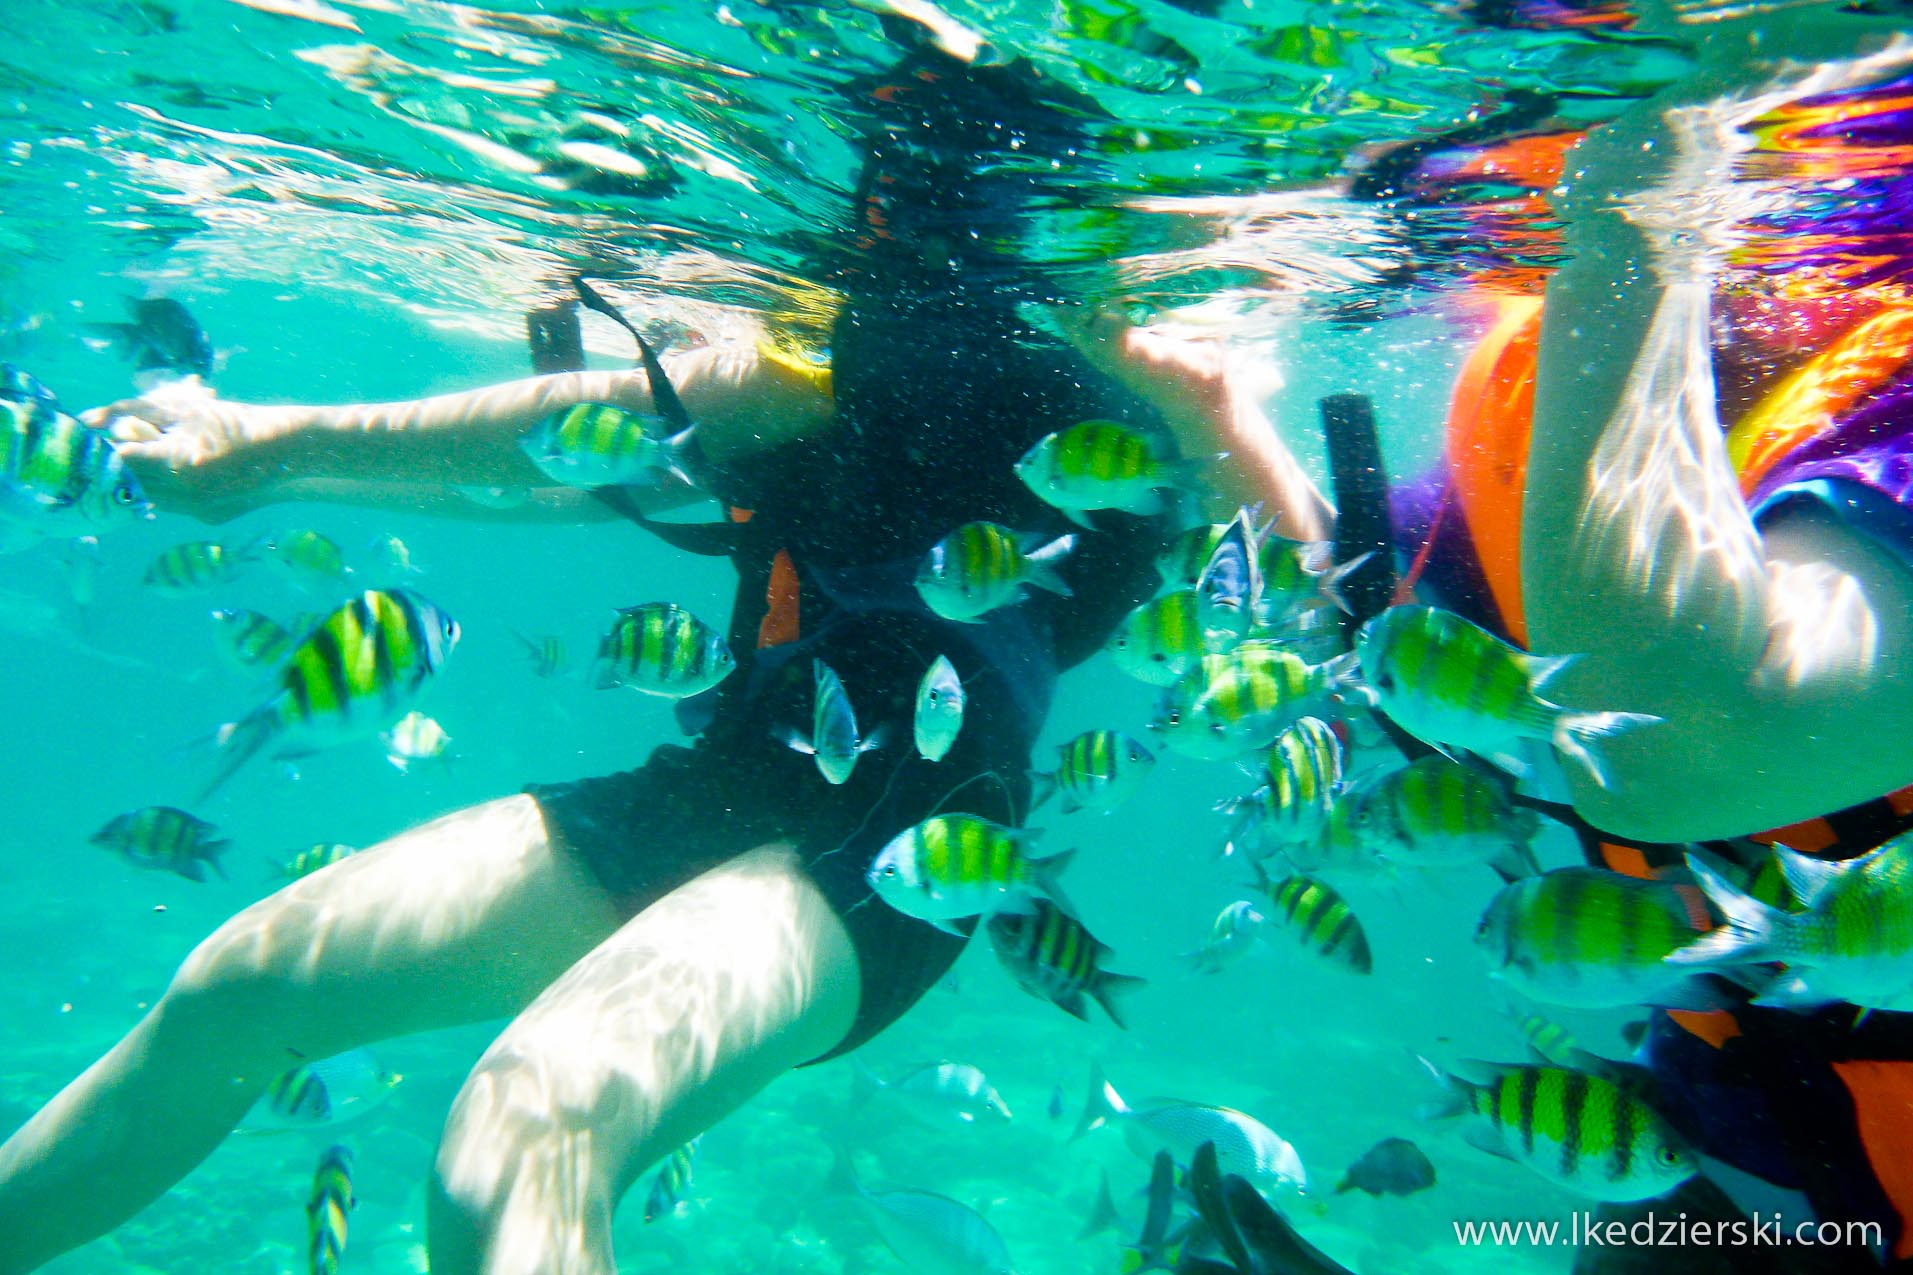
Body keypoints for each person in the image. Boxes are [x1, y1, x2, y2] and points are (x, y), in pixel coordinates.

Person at [0, 45, 1315, 1275]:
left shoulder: (1139, 399)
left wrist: (1201, 410)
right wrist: (264, 456)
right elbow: (564, 450)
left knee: (521, 1131)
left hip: (909, 835)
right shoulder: (803, 359)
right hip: (720, 778)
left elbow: (1303, 597)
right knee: (236, 992)